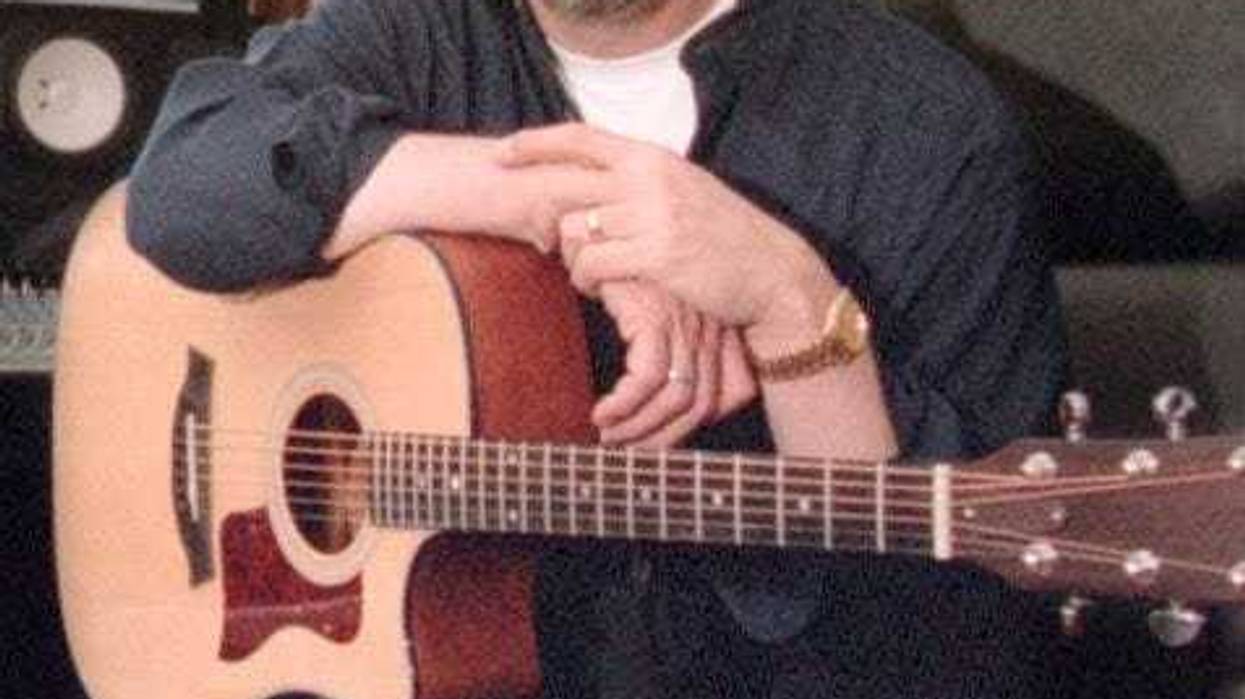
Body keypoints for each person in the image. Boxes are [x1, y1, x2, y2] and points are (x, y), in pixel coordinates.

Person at [126, 0, 1067, 697]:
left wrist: (791, 306)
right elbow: (183, 183)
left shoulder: (926, 130)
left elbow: (961, 640)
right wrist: (543, 202)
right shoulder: (416, 31)